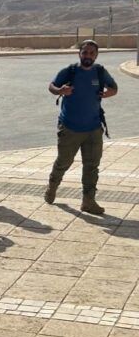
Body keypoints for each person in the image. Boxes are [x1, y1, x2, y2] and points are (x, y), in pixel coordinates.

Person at [45, 40, 118, 214]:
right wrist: (61, 90)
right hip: (70, 128)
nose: (88, 56)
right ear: (79, 53)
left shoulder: (100, 72)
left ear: (96, 55)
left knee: (92, 166)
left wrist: (108, 93)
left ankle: (88, 201)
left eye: (92, 53)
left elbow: (114, 88)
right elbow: (52, 86)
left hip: (93, 128)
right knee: (64, 162)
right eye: (85, 52)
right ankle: (52, 186)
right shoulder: (70, 71)